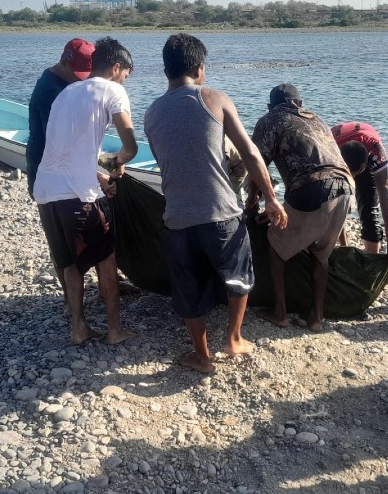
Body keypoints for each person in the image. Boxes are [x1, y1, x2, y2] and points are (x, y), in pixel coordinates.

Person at [144, 33, 286, 374]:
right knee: (238, 277)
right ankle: (233, 339)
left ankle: (201, 356)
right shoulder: (214, 98)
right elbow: (251, 153)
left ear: (166, 71)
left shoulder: (151, 114)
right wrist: (271, 198)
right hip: (222, 213)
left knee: (188, 289)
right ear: (199, 68)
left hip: (176, 216)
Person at [32, 37, 137, 346]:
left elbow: (62, 151)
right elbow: (130, 147)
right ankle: (115, 330)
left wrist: (98, 172)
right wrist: (117, 162)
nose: (124, 81)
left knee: (69, 263)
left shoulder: (64, 94)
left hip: (46, 190)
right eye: (125, 75)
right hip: (79, 195)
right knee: (106, 258)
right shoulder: (114, 90)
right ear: (116, 68)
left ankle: (79, 328)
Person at [251, 83, 354, 332]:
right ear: (300, 104)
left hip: (312, 188)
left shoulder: (270, 120)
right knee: (321, 255)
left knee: (276, 249)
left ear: (270, 106)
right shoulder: (317, 119)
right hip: (348, 188)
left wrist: (251, 204)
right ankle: (316, 318)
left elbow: (256, 166)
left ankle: (280, 313)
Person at [26, 38, 96, 196]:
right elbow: (60, 144)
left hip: (57, 169)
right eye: (78, 74)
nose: (80, 79)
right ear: (64, 61)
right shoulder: (51, 93)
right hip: (48, 170)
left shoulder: (58, 78)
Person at [331, 122, 388, 261]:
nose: (353, 178)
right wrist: (345, 248)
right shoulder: (327, 150)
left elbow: (385, 191)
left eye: (356, 174)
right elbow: (337, 206)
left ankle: (370, 260)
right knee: (331, 204)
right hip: (337, 151)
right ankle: (342, 250)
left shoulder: (376, 153)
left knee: (369, 209)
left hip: (364, 149)